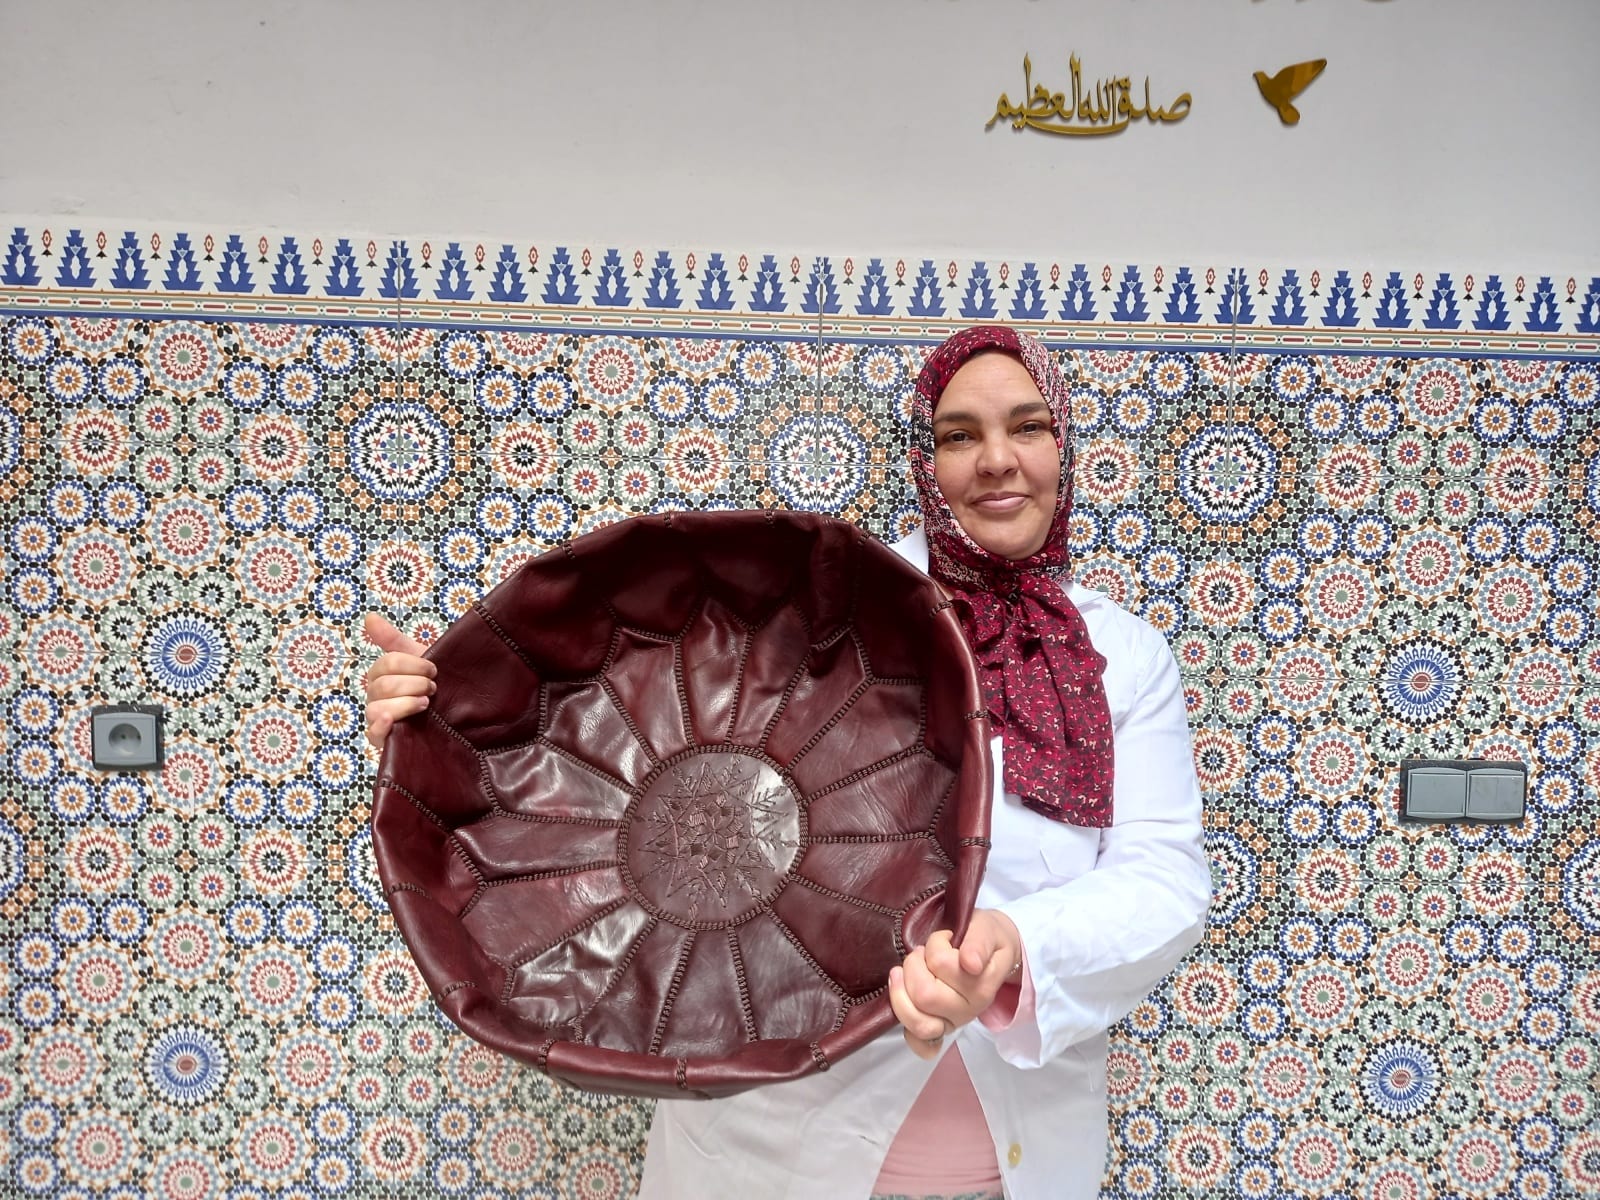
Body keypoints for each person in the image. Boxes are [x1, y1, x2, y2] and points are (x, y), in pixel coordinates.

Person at [363, 325, 1211, 1200]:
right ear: (925, 458)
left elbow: (1165, 878)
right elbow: (595, 734)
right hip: (764, 1161)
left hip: (1015, 1160)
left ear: (1063, 446)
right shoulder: (838, 598)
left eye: (1028, 427)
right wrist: (436, 723)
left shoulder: (1125, 657)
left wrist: (1017, 947)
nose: (997, 460)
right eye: (960, 435)